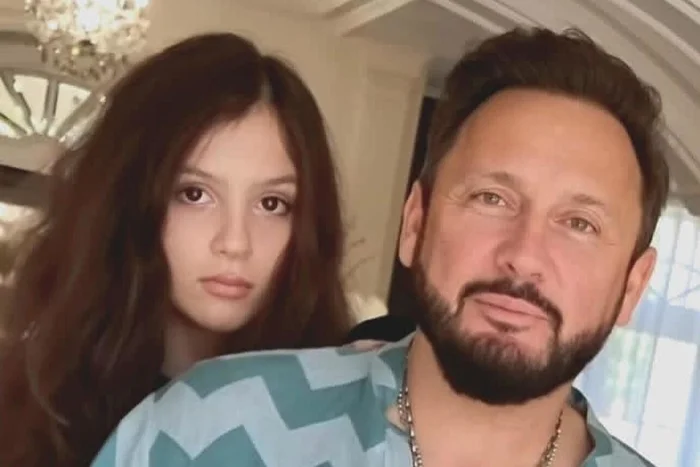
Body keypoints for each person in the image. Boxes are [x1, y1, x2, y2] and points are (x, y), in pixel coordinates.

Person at [91, 26, 668, 467]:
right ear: (415, 223)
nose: (524, 255)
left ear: (633, 286)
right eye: (491, 198)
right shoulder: (206, 428)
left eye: (580, 224)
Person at [0, 33, 353, 466]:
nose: (235, 242)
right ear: (127, 200)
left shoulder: (342, 410)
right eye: (194, 194)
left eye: (272, 204)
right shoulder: (35, 403)